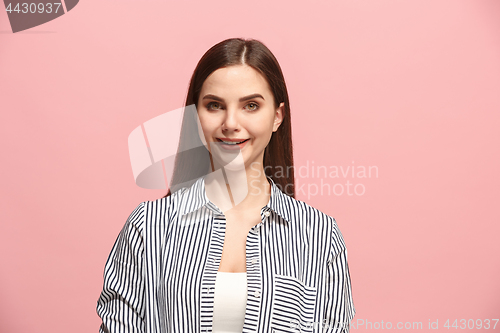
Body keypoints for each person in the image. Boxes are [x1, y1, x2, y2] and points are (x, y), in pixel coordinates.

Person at [96, 38, 355, 333]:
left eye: (251, 106)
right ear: (196, 116)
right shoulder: (149, 227)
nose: (230, 123)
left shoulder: (319, 236)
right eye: (215, 105)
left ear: (277, 116)